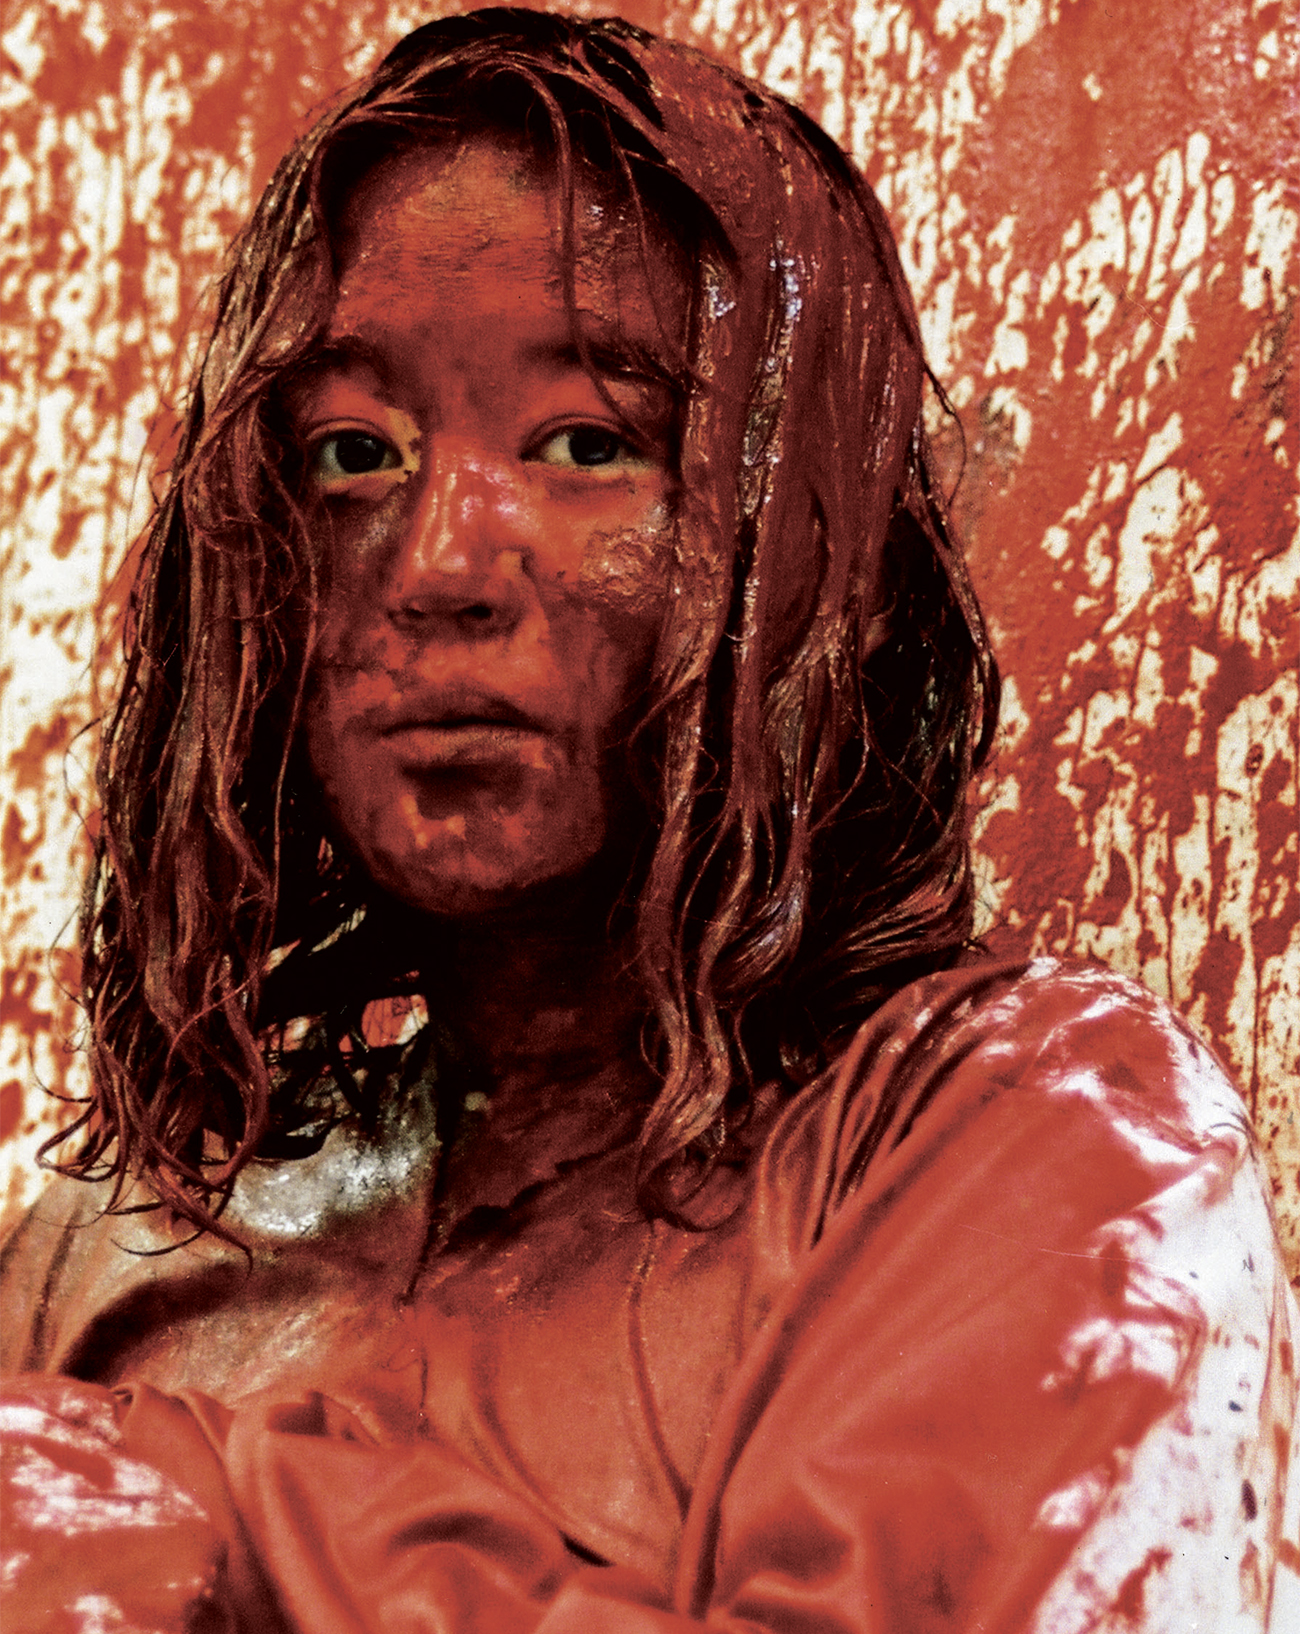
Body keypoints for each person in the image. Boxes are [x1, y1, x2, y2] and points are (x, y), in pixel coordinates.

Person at [1, 10, 1296, 1631]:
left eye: (588, 443)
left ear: (802, 545)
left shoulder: (1040, 1140)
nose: (441, 566)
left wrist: (216, 1518)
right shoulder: (114, 1247)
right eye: (352, 452)